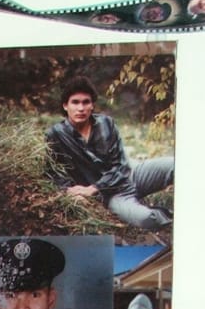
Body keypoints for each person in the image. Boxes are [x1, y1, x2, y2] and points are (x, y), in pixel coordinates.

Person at [45, 75, 174, 230]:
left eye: (86, 102)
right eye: (75, 102)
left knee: (176, 164)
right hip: (112, 196)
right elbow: (53, 174)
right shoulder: (56, 135)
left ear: (92, 105)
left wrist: (93, 188)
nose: (81, 108)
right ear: (65, 106)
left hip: (130, 175)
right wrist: (70, 191)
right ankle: (170, 216)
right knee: (146, 219)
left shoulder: (106, 123)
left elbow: (121, 166)